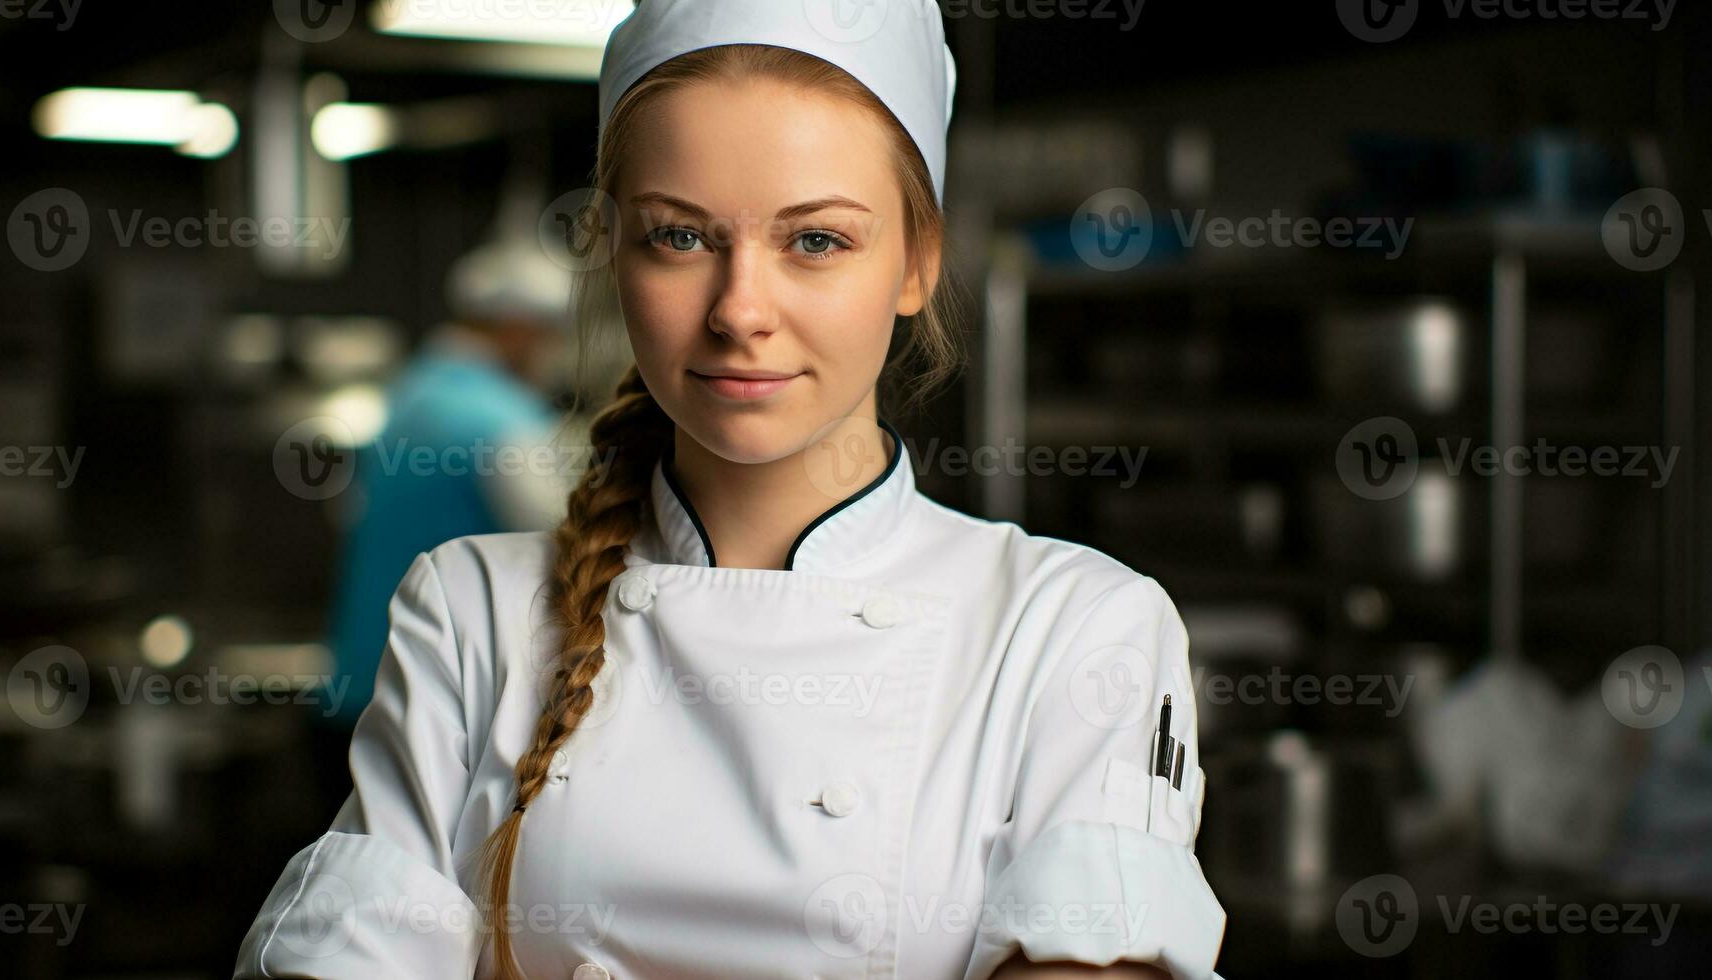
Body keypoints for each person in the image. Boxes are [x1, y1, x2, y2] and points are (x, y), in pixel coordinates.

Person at [237, 1, 1227, 977]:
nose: (740, 310)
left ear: (916, 262)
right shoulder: (470, 612)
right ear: (610, 249)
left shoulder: (1076, 628)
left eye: (816, 241)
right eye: (679, 237)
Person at [317, 214, 574, 773]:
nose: (553, 352)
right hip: (440, 706)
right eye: (550, 334)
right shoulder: (500, 421)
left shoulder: (409, 395)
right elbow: (568, 541)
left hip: (365, 682)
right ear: (517, 328)